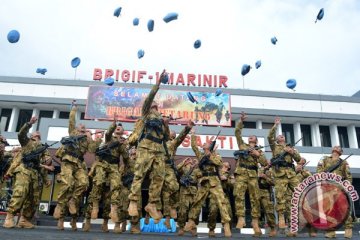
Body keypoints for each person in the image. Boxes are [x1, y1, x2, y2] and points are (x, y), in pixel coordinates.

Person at [128, 71, 170, 222]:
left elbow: (166, 137)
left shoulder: (160, 119)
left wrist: (166, 125)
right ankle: (133, 201)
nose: (154, 105)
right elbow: (150, 98)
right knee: (140, 174)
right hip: (145, 147)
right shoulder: (145, 114)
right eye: (152, 104)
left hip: (159, 150)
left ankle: (152, 204)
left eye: (156, 106)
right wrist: (158, 83)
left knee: (159, 177)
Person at [53, 103, 96, 230]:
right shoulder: (73, 133)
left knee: (84, 183)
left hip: (78, 164)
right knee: (68, 183)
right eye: (81, 126)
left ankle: (73, 200)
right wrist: (74, 109)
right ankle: (60, 207)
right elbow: (71, 121)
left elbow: (93, 150)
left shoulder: (86, 139)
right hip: (68, 161)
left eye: (84, 127)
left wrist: (90, 137)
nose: (83, 127)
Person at [3, 117, 51, 228]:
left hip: (35, 173)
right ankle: (9, 217)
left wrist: (45, 178)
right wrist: (29, 123)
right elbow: (21, 134)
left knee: (33, 198)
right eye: (35, 134)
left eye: (39, 135)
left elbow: (43, 165)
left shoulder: (43, 148)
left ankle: (24, 219)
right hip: (23, 170)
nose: (38, 134)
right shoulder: (26, 142)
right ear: (32, 136)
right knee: (21, 192)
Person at [184, 128, 232, 237]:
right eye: (203, 143)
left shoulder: (216, 155)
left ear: (210, 146)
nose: (204, 144)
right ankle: (191, 221)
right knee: (197, 202)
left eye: (206, 143)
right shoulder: (201, 156)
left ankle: (226, 225)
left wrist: (210, 154)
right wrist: (192, 135)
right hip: (204, 182)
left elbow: (219, 163)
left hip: (215, 182)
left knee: (221, 202)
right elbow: (194, 147)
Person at [86, 118, 128, 233]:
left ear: (123, 131)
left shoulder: (124, 142)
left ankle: (113, 210)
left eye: (120, 127)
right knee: (98, 183)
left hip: (114, 166)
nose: (118, 127)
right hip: (103, 164)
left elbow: (125, 157)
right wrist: (113, 124)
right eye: (117, 127)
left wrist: (124, 146)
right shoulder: (109, 138)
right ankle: (93, 208)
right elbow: (108, 133)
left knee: (116, 187)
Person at [233, 112, 268, 237]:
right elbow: (237, 133)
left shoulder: (259, 150)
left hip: (253, 174)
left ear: (256, 140)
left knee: (255, 198)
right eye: (249, 137)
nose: (250, 137)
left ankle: (255, 221)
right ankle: (241, 218)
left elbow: (265, 163)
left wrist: (258, 155)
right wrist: (241, 121)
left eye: (253, 137)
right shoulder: (243, 145)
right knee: (238, 195)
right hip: (241, 173)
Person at [268, 117, 301, 237]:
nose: (281, 136)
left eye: (282, 135)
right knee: (280, 196)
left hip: (291, 173)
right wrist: (275, 125)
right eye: (279, 135)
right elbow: (269, 137)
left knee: (299, 192)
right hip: (280, 174)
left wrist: (292, 152)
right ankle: (281, 216)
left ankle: (294, 224)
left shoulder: (290, 147)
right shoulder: (274, 147)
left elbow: (298, 159)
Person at [162, 120, 194, 229]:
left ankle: (169, 215)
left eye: (174, 135)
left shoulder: (173, 143)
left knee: (174, 187)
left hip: (168, 167)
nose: (173, 135)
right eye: (171, 133)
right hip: (157, 166)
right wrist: (165, 124)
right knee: (158, 191)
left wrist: (187, 128)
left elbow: (181, 137)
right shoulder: (159, 141)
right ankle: (153, 215)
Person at [317, 146, 353, 239]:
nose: (335, 150)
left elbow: (348, 176)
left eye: (338, 149)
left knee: (343, 209)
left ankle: (348, 228)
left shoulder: (344, 162)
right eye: (334, 148)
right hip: (327, 188)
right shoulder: (324, 160)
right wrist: (322, 180)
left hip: (339, 188)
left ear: (340, 152)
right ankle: (330, 231)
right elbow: (319, 172)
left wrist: (347, 186)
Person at [207, 161, 233, 237]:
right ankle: (211, 229)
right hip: (214, 195)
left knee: (228, 213)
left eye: (227, 165)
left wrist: (227, 180)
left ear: (229, 167)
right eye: (224, 164)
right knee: (213, 212)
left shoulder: (229, 175)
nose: (225, 166)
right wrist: (218, 178)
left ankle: (228, 229)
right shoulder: (215, 172)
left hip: (224, 195)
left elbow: (233, 185)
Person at [177, 157, 201, 236]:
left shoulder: (197, 169)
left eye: (191, 160)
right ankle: (181, 227)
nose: (190, 161)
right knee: (182, 211)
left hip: (194, 192)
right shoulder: (183, 168)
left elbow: (201, 175)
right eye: (188, 160)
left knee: (194, 211)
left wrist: (198, 164)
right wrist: (183, 162)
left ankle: (193, 228)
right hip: (184, 191)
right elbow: (176, 169)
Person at [258, 166, 277, 236]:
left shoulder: (270, 171)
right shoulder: (254, 168)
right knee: (255, 212)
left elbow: (274, 182)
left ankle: (272, 228)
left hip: (265, 192)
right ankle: (257, 229)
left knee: (269, 212)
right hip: (255, 191)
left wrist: (265, 177)